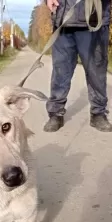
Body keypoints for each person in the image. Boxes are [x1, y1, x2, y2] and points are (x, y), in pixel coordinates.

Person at [44, 0, 112, 132]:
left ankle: (98, 113)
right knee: (60, 71)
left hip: (95, 19)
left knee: (96, 72)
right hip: (64, 20)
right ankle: (56, 113)